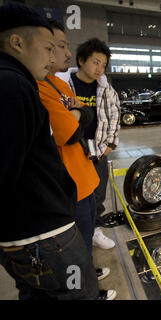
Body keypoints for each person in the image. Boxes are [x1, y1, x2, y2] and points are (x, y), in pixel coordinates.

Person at [0, 2, 102, 300]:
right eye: (48, 48)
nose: (57, 56)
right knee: (77, 292)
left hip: (31, 233)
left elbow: (84, 119)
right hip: (44, 235)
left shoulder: (27, 83)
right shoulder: (13, 85)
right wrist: (79, 116)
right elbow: (69, 131)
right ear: (18, 43)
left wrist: (79, 115)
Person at [36, 19, 116, 298]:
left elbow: (96, 116)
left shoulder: (64, 87)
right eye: (57, 46)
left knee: (89, 223)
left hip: (89, 167)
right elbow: (68, 133)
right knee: (74, 240)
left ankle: (87, 276)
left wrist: (105, 144)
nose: (65, 53)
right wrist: (79, 114)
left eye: (104, 65)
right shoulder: (52, 84)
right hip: (69, 177)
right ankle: (87, 291)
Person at [57, 38, 120, 250]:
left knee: (98, 194)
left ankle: (95, 230)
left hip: (99, 151)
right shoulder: (65, 86)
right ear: (81, 60)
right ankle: (75, 233)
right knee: (75, 194)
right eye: (95, 62)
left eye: (103, 65)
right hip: (74, 150)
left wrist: (110, 144)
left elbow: (115, 116)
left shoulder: (106, 89)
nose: (99, 68)